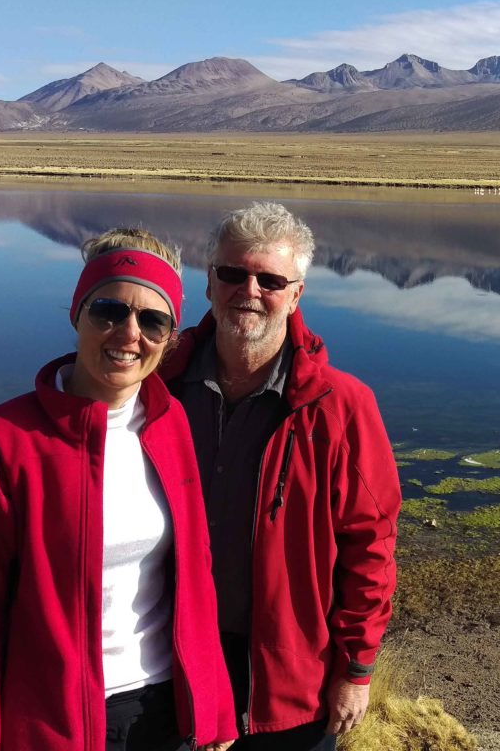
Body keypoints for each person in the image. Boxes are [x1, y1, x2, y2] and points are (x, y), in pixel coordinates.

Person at [0, 228, 237, 751]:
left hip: (165, 712)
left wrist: (214, 707)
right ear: (77, 314)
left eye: (153, 321)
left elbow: (196, 570)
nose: (129, 334)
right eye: (109, 311)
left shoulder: (170, 423)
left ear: (169, 338)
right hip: (58, 721)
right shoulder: (4, 440)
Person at [160, 202, 401, 751]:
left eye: (270, 280)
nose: (248, 290)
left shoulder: (341, 407)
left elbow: (371, 546)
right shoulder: (160, 387)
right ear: (209, 282)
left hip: (291, 679)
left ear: (296, 295)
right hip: (169, 665)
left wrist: (357, 669)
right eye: (233, 273)